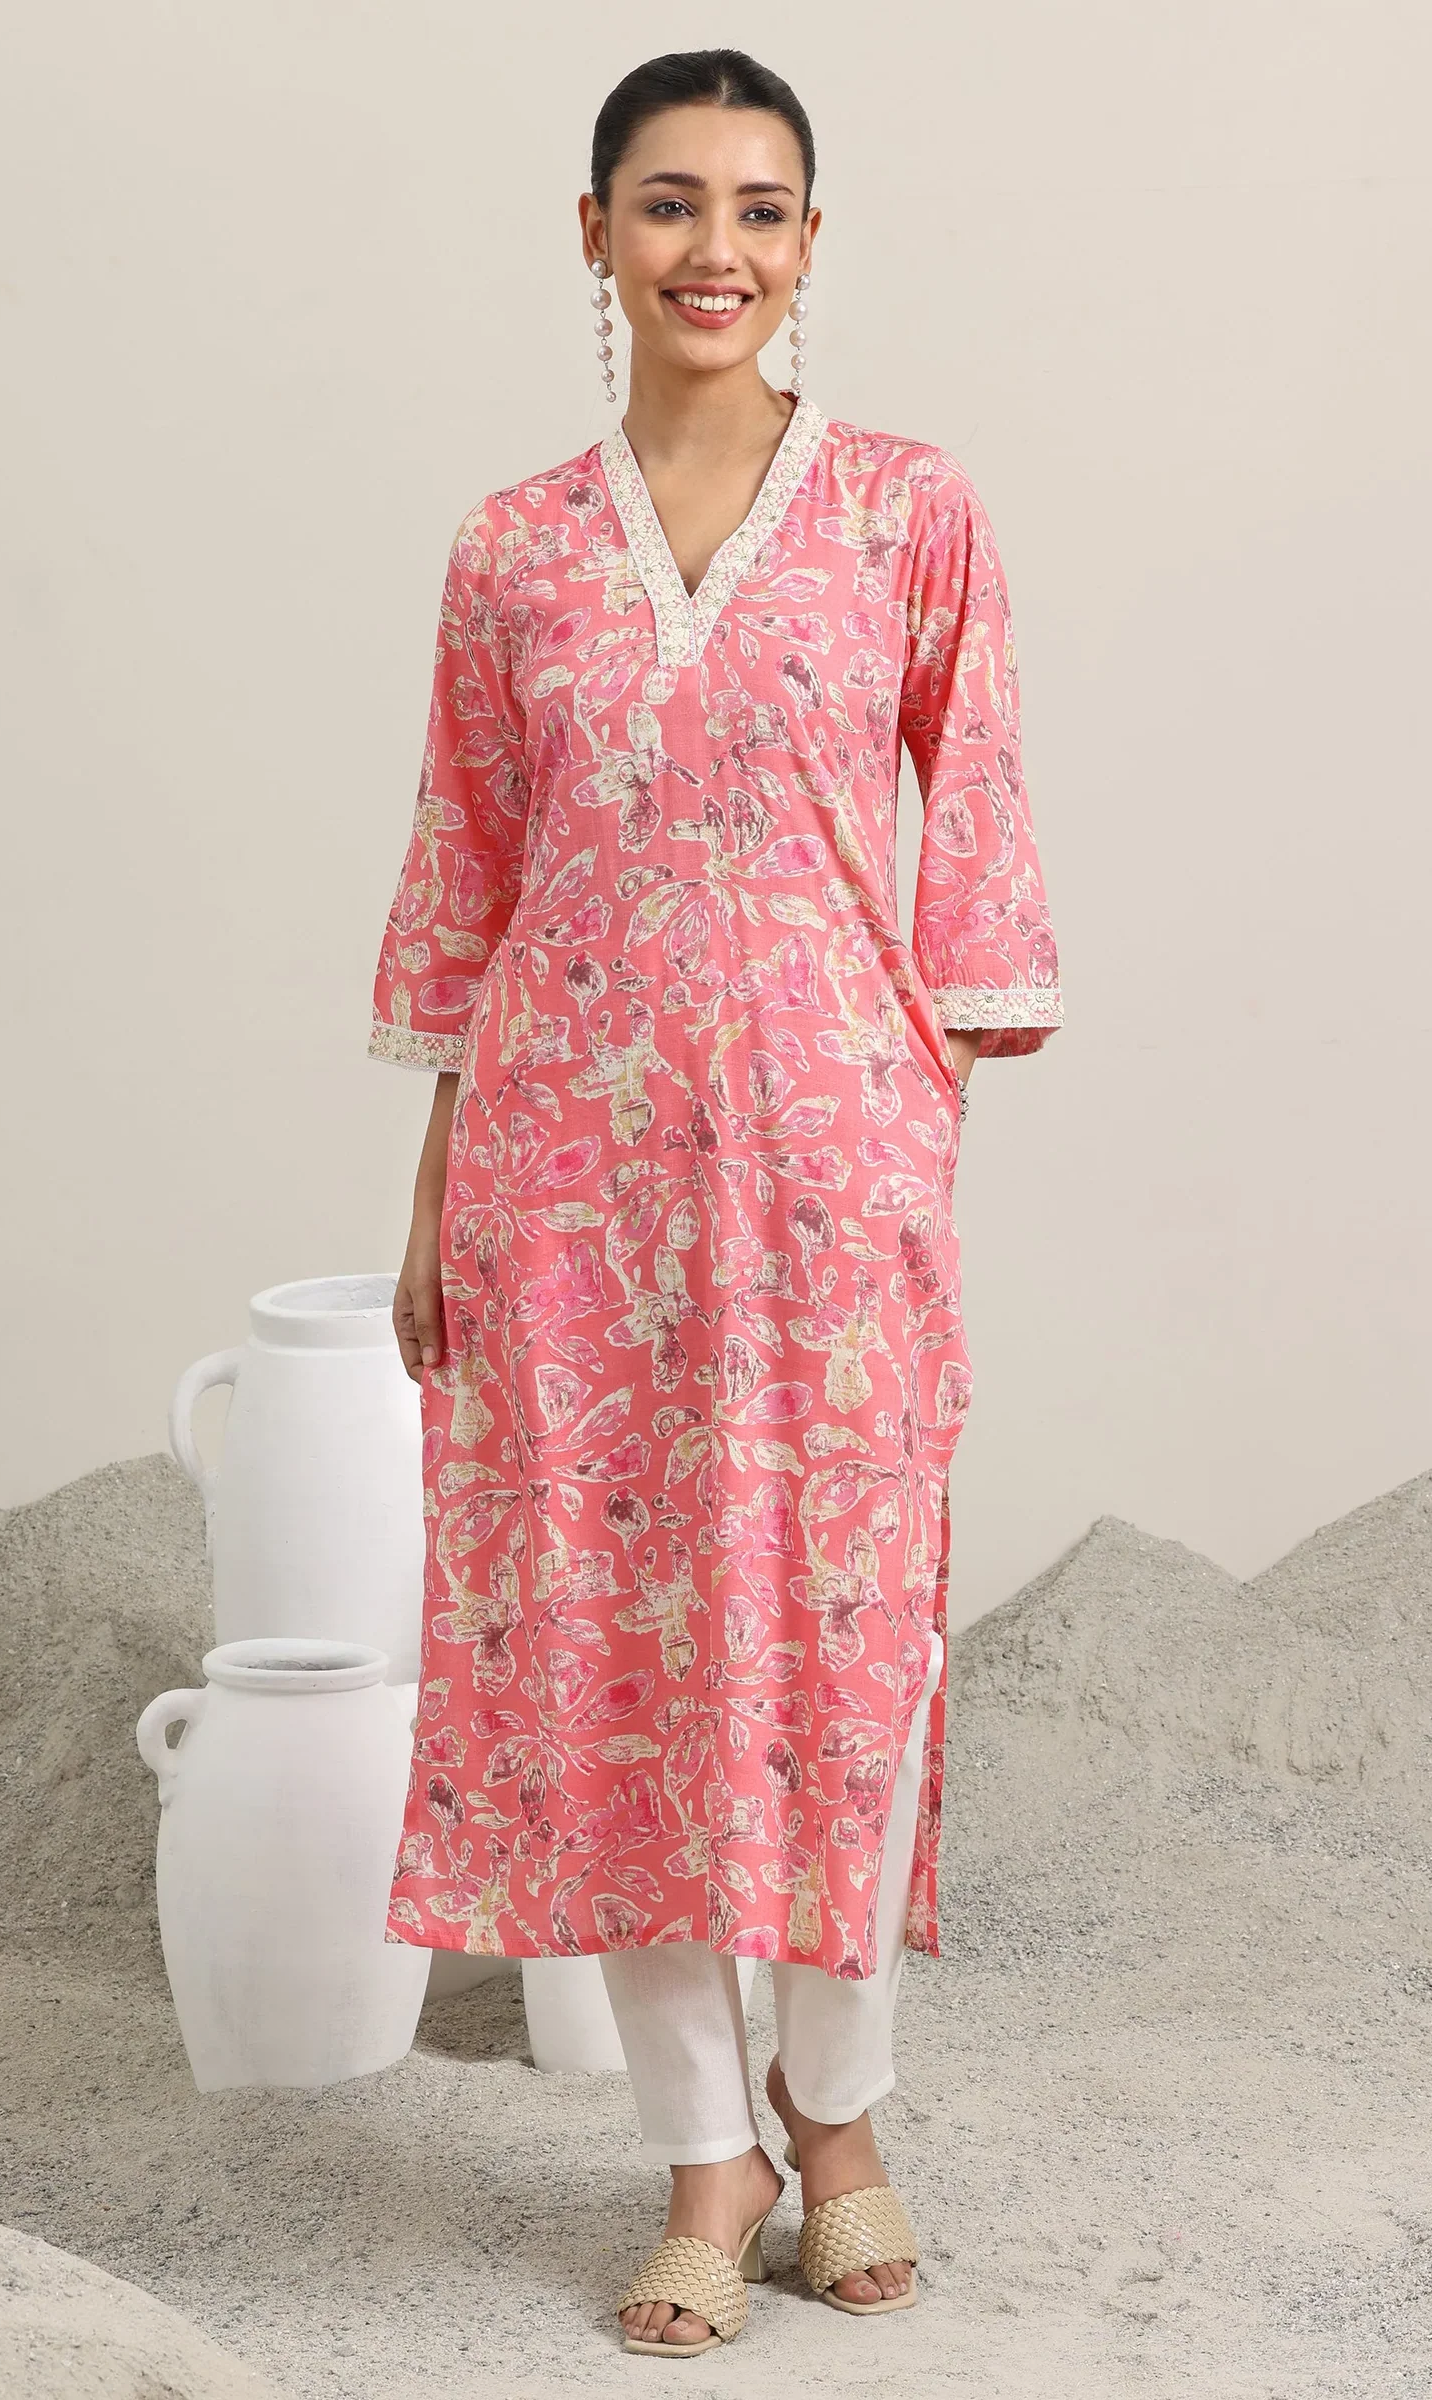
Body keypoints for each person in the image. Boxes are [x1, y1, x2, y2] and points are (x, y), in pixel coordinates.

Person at [369, 46, 1061, 2357]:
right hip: (564, 1188)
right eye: (670, 205)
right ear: (595, 235)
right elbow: (471, 883)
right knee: (617, 1661)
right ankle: (705, 2156)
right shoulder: (511, 551)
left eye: (761, 210)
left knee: (847, 1652)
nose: (716, 250)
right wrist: (436, 1200)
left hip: (832, 1183)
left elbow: (977, 823)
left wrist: (914, 1118)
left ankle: (838, 2114)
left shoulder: (908, 513)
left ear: (810, 242)